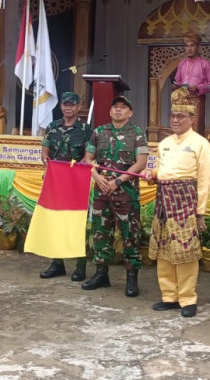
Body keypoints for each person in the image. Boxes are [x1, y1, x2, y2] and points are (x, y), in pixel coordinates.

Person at [142, 87, 210, 317]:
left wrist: (200, 212)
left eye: (181, 116)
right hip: (163, 200)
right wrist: (152, 175)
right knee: (164, 250)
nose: (175, 120)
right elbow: (160, 171)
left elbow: (204, 181)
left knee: (186, 252)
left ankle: (187, 299)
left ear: (192, 118)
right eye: (173, 116)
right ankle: (169, 296)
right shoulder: (164, 143)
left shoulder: (201, 144)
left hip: (185, 201)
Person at [81, 96, 148, 296]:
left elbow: (140, 163)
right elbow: (88, 159)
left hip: (125, 194)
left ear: (130, 112)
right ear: (110, 111)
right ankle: (101, 274)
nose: (118, 110)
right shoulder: (99, 132)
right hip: (101, 192)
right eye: (115, 107)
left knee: (130, 236)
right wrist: (96, 176)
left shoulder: (137, 134)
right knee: (100, 234)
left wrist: (117, 181)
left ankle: (131, 278)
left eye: (123, 107)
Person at [38, 92, 92, 281]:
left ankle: (80, 266)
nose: (68, 108)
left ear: (78, 107)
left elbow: (88, 156)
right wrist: (47, 162)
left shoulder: (85, 129)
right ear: (60, 106)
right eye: (65, 104)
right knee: (55, 221)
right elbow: (45, 152)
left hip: (76, 183)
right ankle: (57, 263)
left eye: (72, 105)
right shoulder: (52, 127)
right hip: (55, 182)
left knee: (77, 223)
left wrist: (76, 170)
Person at [173, 32, 210, 135]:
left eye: (192, 45)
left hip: (197, 100)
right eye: (187, 46)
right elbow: (177, 81)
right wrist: (175, 86)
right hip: (182, 100)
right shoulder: (182, 63)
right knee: (182, 127)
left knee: (195, 128)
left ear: (199, 47)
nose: (189, 49)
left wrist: (198, 87)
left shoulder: (205, 63)